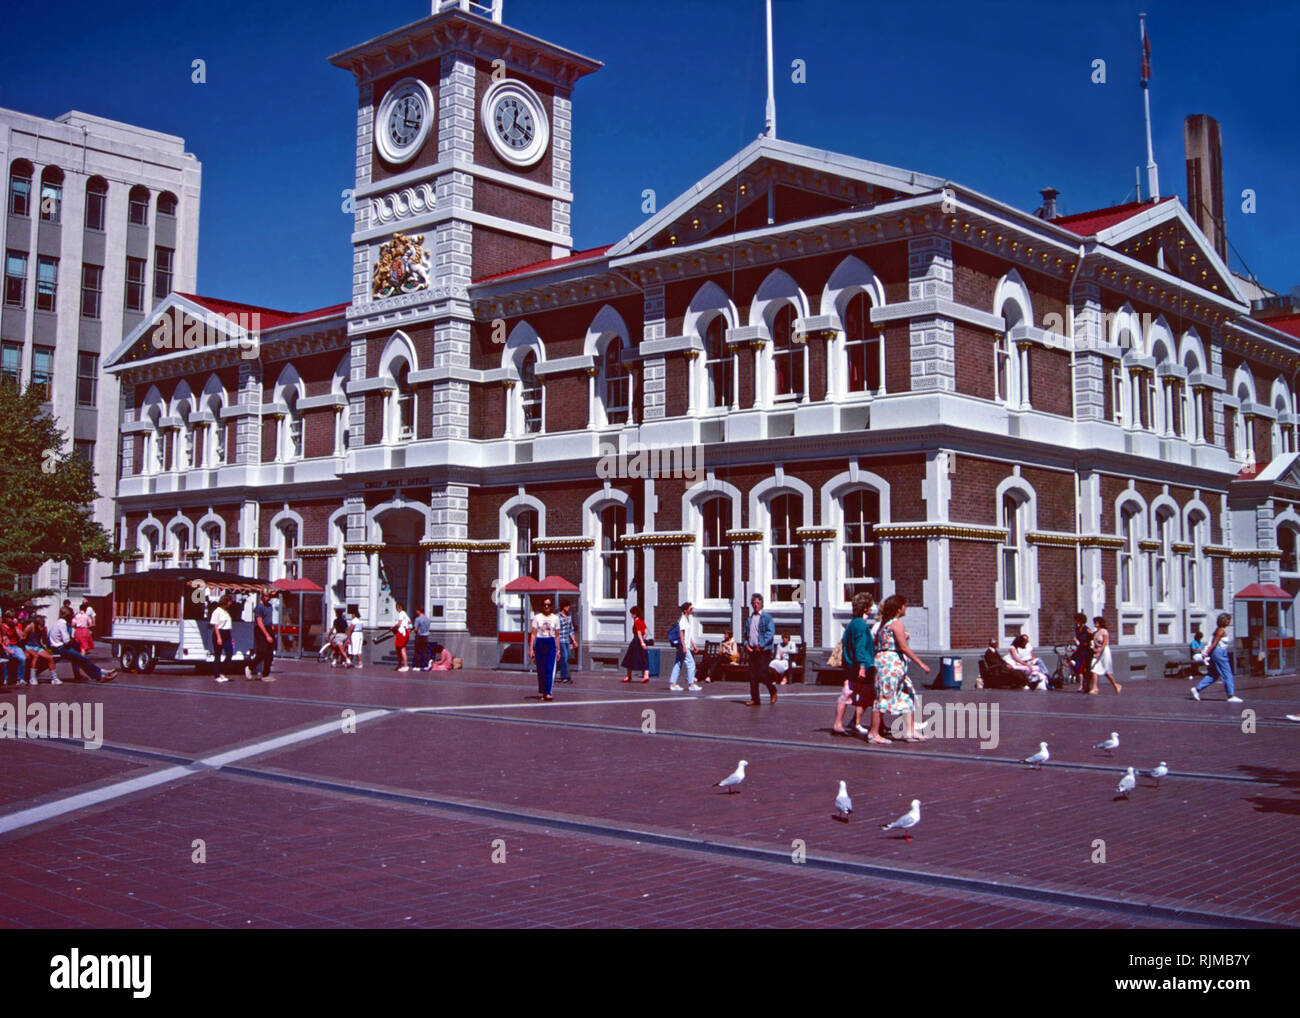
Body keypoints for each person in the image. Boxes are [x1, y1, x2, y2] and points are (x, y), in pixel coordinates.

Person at [868, 594, 930, 743]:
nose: (906, 608)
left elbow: (877, 642)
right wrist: (920, 663)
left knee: (906, 693)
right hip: (891, 664)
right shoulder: (896, 624)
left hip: (887, 662)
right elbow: (903, 647)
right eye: (904, 605)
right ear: (899, 608)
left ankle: (910, 731)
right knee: (884, 696)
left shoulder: (884, 624)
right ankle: (873, 733)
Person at [833, 592, 875, 735]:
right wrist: (862, 666)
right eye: (870, 605)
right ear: (865, 608)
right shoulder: (861, 625)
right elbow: (860, 647)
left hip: (852, 665)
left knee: (856, 693)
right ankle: (840, 724)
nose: (872, 608)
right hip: (860, 666)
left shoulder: (852, 624)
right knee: (854, 693)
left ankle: (851, 721)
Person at [49, 607, 117, 683]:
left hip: (56, 647)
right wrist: (73, 640)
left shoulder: (57, 622)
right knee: (81, 658)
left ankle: (96, 673)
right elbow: (67, 641)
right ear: (67, 616)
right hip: (60, 648)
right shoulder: (62, 624)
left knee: (78, 655)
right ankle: (100, 674)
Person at [1191, 612, 1240, 702]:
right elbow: (1214, 643)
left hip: (1218, 653)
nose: (1229, 622)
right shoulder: (1221, 630)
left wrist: (1207, 652)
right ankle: (1231, 696)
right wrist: (1206, 653)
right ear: (1224, 621)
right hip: (1219, 653)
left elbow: (1212, 642)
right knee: (1227, 673)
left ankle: (1197, 689)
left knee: (1213, 674)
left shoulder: (1218, 629)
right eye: (1228, 620)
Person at [744, 593, 777, 706]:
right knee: (752, 675)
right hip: (752, 650)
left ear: (761, 604)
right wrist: (746, 644)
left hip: (763, 650)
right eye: (754, 603)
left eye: (758, 603)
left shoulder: (767, 618)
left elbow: (770, 633)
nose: (756, 605)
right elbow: (746, 635)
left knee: (762, 673)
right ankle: (755, 699)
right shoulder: (750, 619)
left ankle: (772, 690)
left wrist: (761, 645)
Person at [528, 596, 561, 701]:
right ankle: (542, 691)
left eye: (549, 604)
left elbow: (557, 635)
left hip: (550, 642)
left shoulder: (555, 618)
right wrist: (531, 649)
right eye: (544, 604)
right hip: (540, 642)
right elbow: (533, 634)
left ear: (551, 606)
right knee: (541, 669)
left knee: (549, 668)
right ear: (542, 606)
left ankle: (548, 692)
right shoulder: (537, 618)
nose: (546, 606)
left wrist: (558, 650)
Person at [668, 601, 702, 692]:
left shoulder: (686, 619)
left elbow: (688, 635)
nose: (692, 610)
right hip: (683, 646)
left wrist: (694, 645)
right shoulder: (683, 619)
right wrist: (684, 646)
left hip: (684, 646)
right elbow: (681, 634)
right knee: (691, 664)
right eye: (690, 609)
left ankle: (673, 683)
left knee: (678, 663)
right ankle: (691, 684)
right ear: (685, 610)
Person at [245, 590, 277, 683]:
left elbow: (269, 619)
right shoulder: (259, 607)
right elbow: (259, 622)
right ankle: (250, 667)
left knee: (270, 654)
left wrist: (271, 629)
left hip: (269, 628)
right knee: (262, 652)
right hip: (261, 629)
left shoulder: (270, 606)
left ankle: (266, 674)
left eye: (269, 596)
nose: (267, 598)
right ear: (262, 596)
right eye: (265, 596)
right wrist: (267, 635)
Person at [1089, 615, 1122, 694]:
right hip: (1097, 651)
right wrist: (1094, 650)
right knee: (1094, 668)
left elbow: (1105, 643)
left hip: (1104, 652)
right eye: (1094, 622)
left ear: (1100, 623)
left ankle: (1116, 684)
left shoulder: (1104, 631)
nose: (1094, 624)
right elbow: (1093, 643)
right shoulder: (1095, 633)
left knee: (1106, 670)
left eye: (1096, 622)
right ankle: (1095, 688)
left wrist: (1099, 652)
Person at [22, 615, 57, 683]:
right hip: (29, 646)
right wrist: (25, 650)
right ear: (36, 624)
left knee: (50, 657)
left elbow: (44, 642)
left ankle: (54, 678)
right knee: (36, 655)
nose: (41, 628)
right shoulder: (29, 627)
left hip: (37, 647)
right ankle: (32, 678)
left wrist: (44, 632)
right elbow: (23, 640)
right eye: (40, 626)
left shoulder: (43, 629)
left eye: (42, 626)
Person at [620, 606, 650, 684]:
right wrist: (644, 640)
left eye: (632, 613)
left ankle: (628, 676)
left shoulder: (636, 621)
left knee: (630, 657)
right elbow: (646, 632)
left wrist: (641, 642)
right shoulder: (642, 620)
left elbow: (639, 633)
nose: (631, 615)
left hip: (636, 641)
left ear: (635, 614)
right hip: (642, 640)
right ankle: (646, 676)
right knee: (644, 658)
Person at [210, 595, 236, 682]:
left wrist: (230, 637)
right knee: (218, 654)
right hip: (219, 633)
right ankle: (217, 675)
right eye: (229, 602)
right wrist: (218, 637)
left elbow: (228, 625)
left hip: (227, 633)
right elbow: (215, 626)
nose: (231, 603)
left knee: (230, 652)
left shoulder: (226, 612)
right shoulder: (217, 611)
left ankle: (222, 672)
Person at [0, 610, 29, 686]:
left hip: (15, 646)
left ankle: (20, 678)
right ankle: (6, 679)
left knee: (22, 658)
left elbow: (21, 637)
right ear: (6, 618)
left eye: (13, 618)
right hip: (5, 647)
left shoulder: (17, 625)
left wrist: (15, 626)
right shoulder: (2, 626)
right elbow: (1, 642)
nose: (12, 619)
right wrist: (7, 649)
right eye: (10, 618)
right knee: (6, 658)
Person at [556, 601, 578, 684]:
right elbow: (556, 630)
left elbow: (570, 629)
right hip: (560, 640)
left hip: (567, 640)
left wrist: (574, 641)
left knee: (567, 657)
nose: (568, 608)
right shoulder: (558, 617)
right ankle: (564, 676)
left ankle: (563, 673)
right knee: (564, 657)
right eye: (567, 606)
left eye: (569, 606)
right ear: (563, 607)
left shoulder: (569, 616)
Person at [1072, 612, 1093, 690]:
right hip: (1080, 650)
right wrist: (1076, 642)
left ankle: (1086, 685)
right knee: (1076, 665)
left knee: (1086, 667)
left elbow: (1091, 638)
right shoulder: (1077, 629)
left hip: (1086, 650)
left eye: (1076, 620)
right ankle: (1081, 683)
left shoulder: (1086, 629)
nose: (1075, 621)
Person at [412, 607, 433, 671]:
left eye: (416, 611)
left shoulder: (417, 619)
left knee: (417, 652)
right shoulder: (427, 619)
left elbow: (415, 629)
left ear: (419, 611)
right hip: (426, 636)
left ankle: (417, 666)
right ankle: (429, 659)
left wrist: (415, 631)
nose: (416, 612)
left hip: (419, 636)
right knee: (424, 651)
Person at [393, 601, 412, 672]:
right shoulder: (405, 614)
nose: (396, 609)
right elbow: (410, 622)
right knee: (399, 649)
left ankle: (405, 665)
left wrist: (393, 627)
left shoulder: (401, 613)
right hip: (405, 632)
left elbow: (399, 624)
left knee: (402, 649)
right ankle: (400, 664)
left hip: (402, 632)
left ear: (399, 607)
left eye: (397, 607)